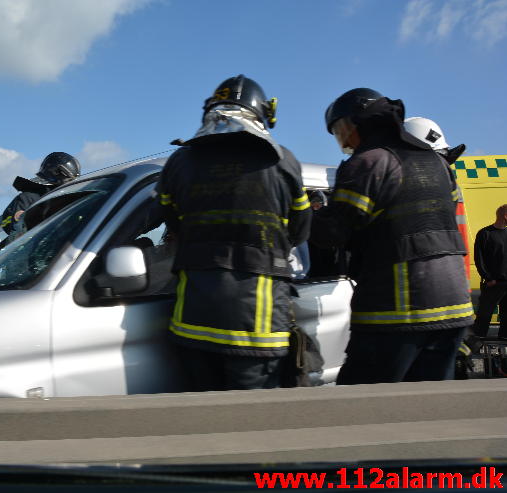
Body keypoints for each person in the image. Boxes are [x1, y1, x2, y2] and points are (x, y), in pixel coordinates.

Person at [156, 74, 311, 391]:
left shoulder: (180, 162)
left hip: (193, 321)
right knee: (249, 428)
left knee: (201, 423)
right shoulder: (283, 162)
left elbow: (168, 219)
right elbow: (301, 229)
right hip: (259, 327)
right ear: (263, 114)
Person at [312, 88, 473, 385]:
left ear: (358, 123)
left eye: (341, 130)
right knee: (428, 410)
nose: (343, 140)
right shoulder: (437, 163)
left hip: (398, 311)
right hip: (455, 307)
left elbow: (332, 232)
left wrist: (302, 213)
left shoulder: (368, 162)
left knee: (363, 408)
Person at [0, 152, 81, 236]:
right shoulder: (27, 199)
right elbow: (16, 232)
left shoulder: (75, 201)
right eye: (69, 180)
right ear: (57, 173)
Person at [472, 204, 507, 339]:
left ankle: (504, 340)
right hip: (493, 283)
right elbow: (479, 259)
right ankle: (477, 341)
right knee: (484, 315)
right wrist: (488, 278)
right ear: (505, 216)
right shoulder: (485, 234)